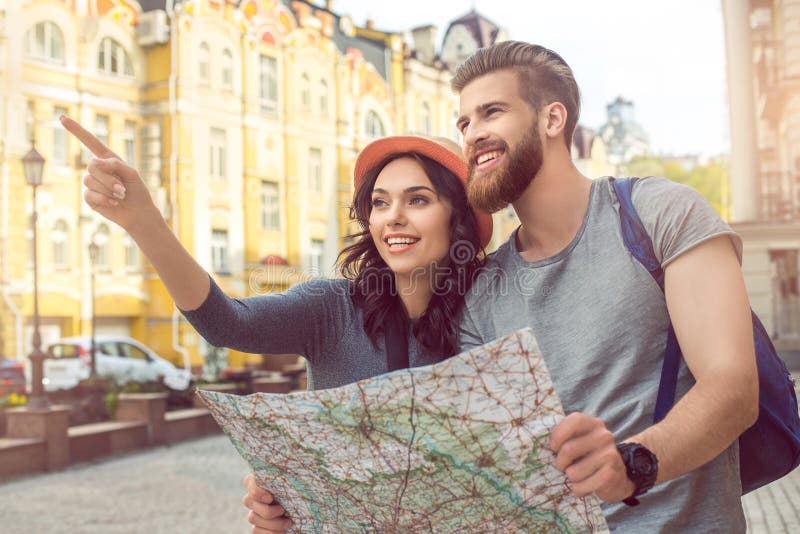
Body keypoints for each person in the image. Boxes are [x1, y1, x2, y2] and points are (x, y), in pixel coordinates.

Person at [245, 40, 759, 532]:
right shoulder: (484, 288)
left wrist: (632, 464)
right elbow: (470, 460)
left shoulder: (659, 213)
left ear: (552, 118)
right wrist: (295, 489)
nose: (471, 136)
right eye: (464, 122)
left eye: (491, 113)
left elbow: (733, 389)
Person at [60, 116, 493, 531]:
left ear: (459, 218)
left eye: (418, 199)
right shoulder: (331, 307)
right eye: (380, 202)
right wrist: (143, 221)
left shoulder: (490, 315)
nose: (393, 216)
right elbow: (225, 323)